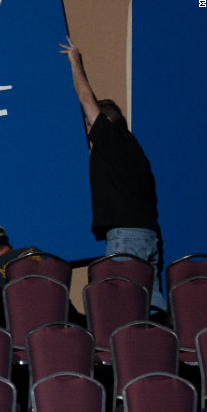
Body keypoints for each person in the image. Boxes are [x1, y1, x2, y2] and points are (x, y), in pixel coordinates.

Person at [59, 37, 167, 313]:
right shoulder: (134, 149)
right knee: (150, 306)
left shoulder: (111, 137)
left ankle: (130, 353)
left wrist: (75, 61)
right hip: (149, 236)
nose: (86, 127)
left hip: (126, 238)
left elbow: (85, 97)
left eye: (88, 121)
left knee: (124, 307)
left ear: (106, 121)